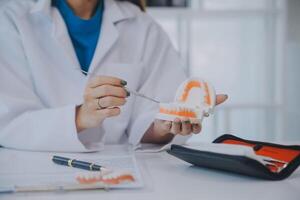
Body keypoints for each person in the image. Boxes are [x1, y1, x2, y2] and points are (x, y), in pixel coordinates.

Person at [0, 0, 228, 152]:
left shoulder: (141, 25)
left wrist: (163, 126)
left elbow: (150, 120)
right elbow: (8, 123)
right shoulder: (11, 17)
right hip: (36, 175)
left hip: (123, 174)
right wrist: (81, 117)